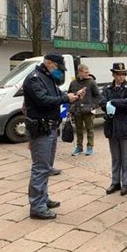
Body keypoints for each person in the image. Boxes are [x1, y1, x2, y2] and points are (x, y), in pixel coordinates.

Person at [23, 53, 84, 219]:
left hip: (51, 128)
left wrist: (73, 97)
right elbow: (43, 100)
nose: (59, 72)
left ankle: (43, 198)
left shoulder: (48, 77)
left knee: (46, 168)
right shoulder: (35, 79)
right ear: (49, 63)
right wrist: (66, 98)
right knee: (40, 168)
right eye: (58, 67)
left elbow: (57, 98)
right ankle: (37, 206)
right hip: (41, 129)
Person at [100, 62, 127, 196]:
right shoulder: (107, 88)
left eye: (123, 74)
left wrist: (113, 102)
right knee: (115, 157)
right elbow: (102, 103)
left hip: (125, 127)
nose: (121, 77)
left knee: (126, 158)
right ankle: (115, 182)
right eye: (118, 74)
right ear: (113, 74)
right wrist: (110, 104)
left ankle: (125, 183)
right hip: (112, 127)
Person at [68, 64, 100, 156]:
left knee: (90, 129)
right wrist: (71, 108)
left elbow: (98, 96)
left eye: (88, 72)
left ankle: (90, 147)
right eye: (86, 72)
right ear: (80, 72)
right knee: (78, 130)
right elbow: (69, 95)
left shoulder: (91, 82)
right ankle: (79, 147)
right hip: (77, 110)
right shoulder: (73, 83)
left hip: (88, 111)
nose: (88, 74)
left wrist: (93, 106)